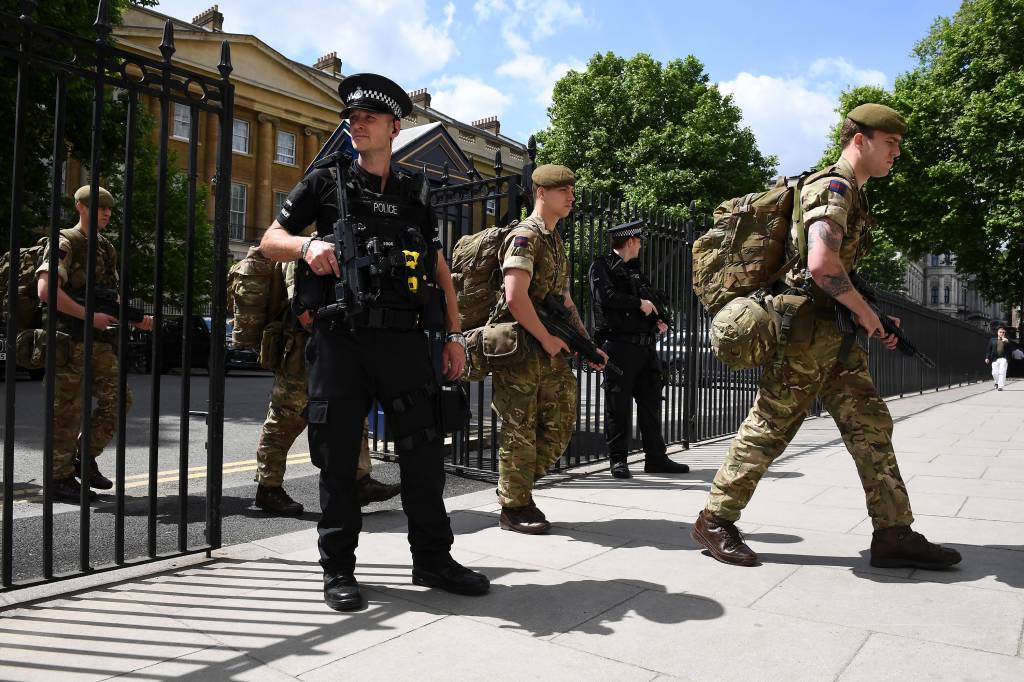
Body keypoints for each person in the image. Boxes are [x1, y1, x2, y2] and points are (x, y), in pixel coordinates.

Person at [691, 103, 961, 570]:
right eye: (890, 144)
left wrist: (867, 314)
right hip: (805, 335)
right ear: (860, 140)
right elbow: (819, 265)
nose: (896, 153)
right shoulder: (834, 186)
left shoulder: (852, 192)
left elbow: (836, 275)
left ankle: (893, 533)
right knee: (771, 427)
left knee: (871, 426)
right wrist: (866, 315)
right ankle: (714, 519)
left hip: (832, 335)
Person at [259, 73, 489, 610]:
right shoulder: (324, 182)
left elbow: (437, 266)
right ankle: (338, 568)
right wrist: (307, 246)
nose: (356, 125)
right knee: (338, 459)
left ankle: (433, 560)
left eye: (368, 119)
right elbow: (271, 240)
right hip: (340, 340)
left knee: (424, 454)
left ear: (394, 127)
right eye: (352, 119)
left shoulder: (415, 194)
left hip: (405, 342)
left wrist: (454, 335)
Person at [491, 164, 607, 534]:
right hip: (522, 350)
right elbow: (514, 296)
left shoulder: (556, 240)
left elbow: (565, 300)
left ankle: (519, 488)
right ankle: (514, 505)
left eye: (572, 189)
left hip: (549, 348)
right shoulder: (526, 236)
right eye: (563, 190)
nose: (571, 196)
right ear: (541, 193)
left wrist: (584, 341)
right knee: (520, 428)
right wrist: (547, 338)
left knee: (559, 425)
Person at [36, 185, 154, 503]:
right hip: (67, 340)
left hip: (98, 341)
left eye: (109, 208)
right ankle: (58, 478)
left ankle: (83, 457)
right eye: (97, 206)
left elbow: (107, 298)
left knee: (119, 400)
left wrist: (133, 318)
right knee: (66, 411)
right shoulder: (64, 241)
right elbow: (46, 291)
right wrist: (88, 316)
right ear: (80, 207)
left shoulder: (105, 247)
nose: (105, 212)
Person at [253, 263, 401, 515]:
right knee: (284, 420)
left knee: (353, 412)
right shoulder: (300, 253)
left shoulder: (333, 247)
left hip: (334, 347)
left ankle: (360, 482)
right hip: (301, 353)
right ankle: (268, 488)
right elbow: (304, 312)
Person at [589, 219, 689, 479]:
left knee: (651, 405)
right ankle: (618, 461)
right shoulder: (602, 266)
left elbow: (649, 303)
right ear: (631, 241)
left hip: (646, 349)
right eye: (639, 241)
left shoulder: (635, 271)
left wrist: (657, 320)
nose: (642, 245)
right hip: (619, 348)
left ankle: (656, 458)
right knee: (618, 406)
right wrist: (638, 303)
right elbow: (605, 298)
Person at [985, 326, 1012, 391]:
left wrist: (1007, 342)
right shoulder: (992, 340)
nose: (1002, 333)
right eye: (1000, 332)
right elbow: (989, 350)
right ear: (997, 333)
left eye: (1003, 332)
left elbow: (1011, 349)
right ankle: (996, 382)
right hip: (995, 359)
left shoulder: (1007, 340)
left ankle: (1000, 386)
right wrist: (987, 357)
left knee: (1002, 372)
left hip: (1004, 358)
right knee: (994, 373)